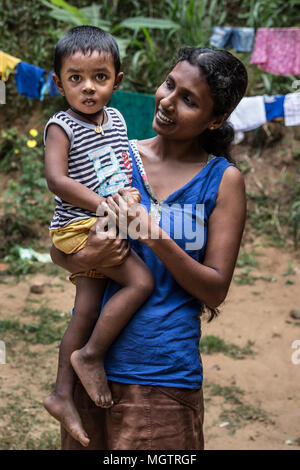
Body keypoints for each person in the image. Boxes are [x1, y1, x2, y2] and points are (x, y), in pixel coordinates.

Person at [50, 46, 248, 450]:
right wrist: (87, 256)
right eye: (169, 85)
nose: (168, 102)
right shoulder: (116, 157)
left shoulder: (223, 181)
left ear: (216, 120)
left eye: (189, 100)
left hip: (164, 377)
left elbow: (215, 289)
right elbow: (63, 245)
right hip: (93, 370)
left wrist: (151, 234)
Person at [43, 26, 154, 448]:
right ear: (58, 83)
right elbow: (57, 180)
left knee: (85, 309)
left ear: (117, 82)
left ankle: (60, 393)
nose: (88, 88)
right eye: (76, 78)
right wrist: (104, 206)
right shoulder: (62, 126)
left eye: (100, 77)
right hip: (78, 226)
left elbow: (117, 166)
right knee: (141, 281)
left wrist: (124, 190)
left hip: (105, 221)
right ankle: (89, 356)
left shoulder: (119, 119)